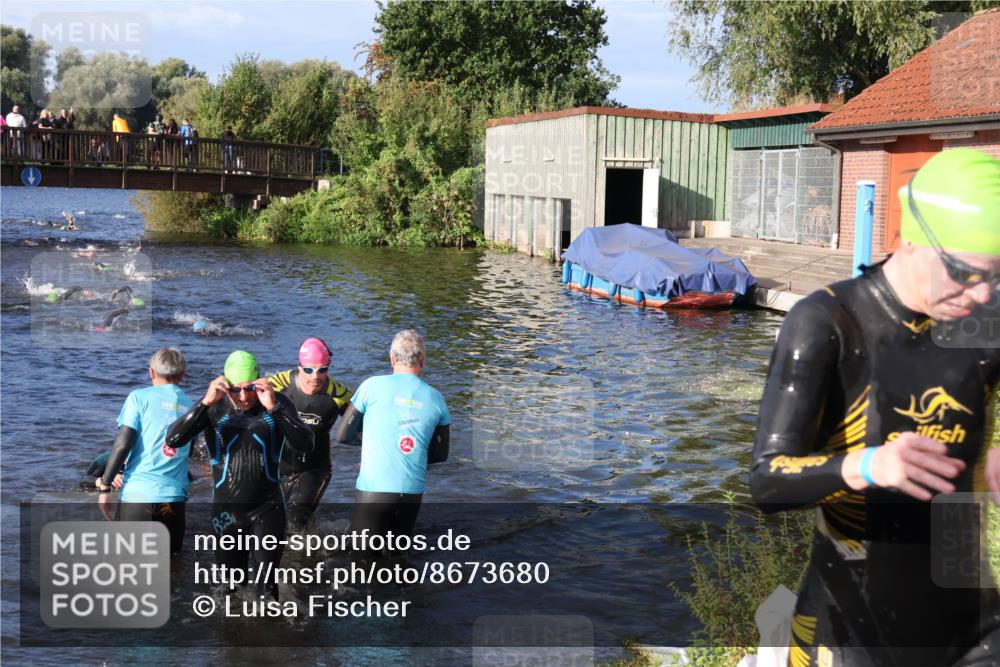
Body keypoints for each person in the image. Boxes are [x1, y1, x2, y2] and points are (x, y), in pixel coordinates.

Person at [750, 148, 1000, 667]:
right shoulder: (827, 323)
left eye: (996, 278)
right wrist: (869, 464)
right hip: (849, 623)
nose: (980, 296)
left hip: (971, 617)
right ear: (910, 239)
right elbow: (767, 482)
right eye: (964, 272)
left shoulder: (984, 321)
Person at [165, 350, 313, 598]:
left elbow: (306, 444)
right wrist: (204, 403)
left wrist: (274, 408)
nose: (243, 397)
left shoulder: (276, 403)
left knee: (266, 589)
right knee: (230, 590)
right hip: (226, 514)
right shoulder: (213, 407)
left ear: (259, 382)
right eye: (235, 390)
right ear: (225, 384)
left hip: (268, 508)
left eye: (249, 389)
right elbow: (174, 439)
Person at [336, 330, 450, 546]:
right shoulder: (436, 398)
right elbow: (440, 454)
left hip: (375, 490)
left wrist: (374, 444)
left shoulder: (371, 386)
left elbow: (343, 435)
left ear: (392, 357)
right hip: (412, 492)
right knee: (398, 558)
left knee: (362, 561)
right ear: (423, 360)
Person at [96, 348, 194, 555]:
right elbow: (188, 451)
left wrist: (105, 486)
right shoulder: (191, 406)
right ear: (183, 374)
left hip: (137, 498)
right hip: (173, 500)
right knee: (169, 569)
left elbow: (123, 443)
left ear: (151, 372)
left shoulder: (138, 397)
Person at [268, 337, 353, 531]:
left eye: (322, 369)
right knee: (273, 520)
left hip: (315, 468)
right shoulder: (278, 384)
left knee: (294, 519)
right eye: (309, 369)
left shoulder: (339, 394)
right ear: (299, 366)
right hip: (278, 467)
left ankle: (306, 555)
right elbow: (243, 401)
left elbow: (366, 427)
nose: (315, 376)